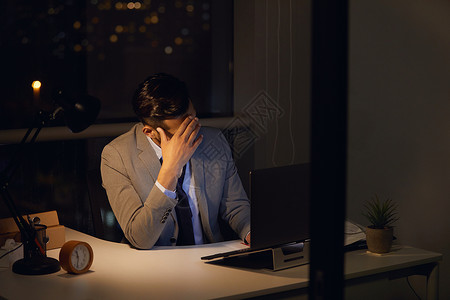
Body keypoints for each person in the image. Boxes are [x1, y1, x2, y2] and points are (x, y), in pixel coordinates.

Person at [100, 73, 250, 249]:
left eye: (194, 119)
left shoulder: (214, 140)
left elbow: (235, 206)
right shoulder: (116, 156)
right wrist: (170, 169)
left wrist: (250, 231)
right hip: (154, 266)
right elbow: (140, 238)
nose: (193, 132)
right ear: (150, 132)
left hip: (210, 257)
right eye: (183, 132)